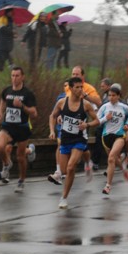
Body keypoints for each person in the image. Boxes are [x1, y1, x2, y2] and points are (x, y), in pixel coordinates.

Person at [49, 77, 99, 209]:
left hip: (79, 140)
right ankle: (86, 162)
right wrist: (52, 131)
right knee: (65, 170)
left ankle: (64, 197)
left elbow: (97, 121)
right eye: (76, 87)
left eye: (81, 87)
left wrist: (87, 124)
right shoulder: (61, 102)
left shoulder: (86, 104)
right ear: (70, 88)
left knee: (71, 167)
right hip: (65, 139)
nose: (79, 90)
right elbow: (52, 116)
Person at [0, 66, 38, 192]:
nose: (14, 78)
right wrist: (0, 112)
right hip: (8, 126)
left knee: (20, 156)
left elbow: (34, 113)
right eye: (12, 75)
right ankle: (7, 165)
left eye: (17, 75)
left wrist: (22, 106)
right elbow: (3, 99)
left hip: (22, 128)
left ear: (22, 77)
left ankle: (21, 180)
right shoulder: (7, 91)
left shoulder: (28, 94)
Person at [99, 84, 128, 197]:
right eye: (109, 95)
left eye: (114, 95)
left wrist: (127, 124)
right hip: (106, 136)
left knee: (111, 159)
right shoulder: (104, 107)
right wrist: (106, 118)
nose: (111, 97)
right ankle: (123, 170)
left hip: (119, 136)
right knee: (114, 159)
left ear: (118, 96)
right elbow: (97, 121)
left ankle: (108, 186)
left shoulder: (123, 107)